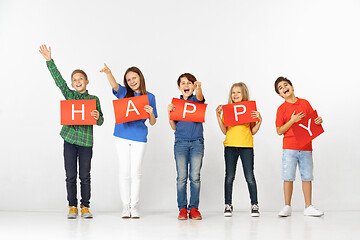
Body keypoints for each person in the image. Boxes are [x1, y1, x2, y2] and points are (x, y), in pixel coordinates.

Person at [39, 45, 104, 219]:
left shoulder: (94, 99)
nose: (77, 81)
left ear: (87, 81)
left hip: (86, 144)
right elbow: (59, 81)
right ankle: (72, 206)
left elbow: (101, 121)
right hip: (69, 140)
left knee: (85, 176)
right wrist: (49, 60)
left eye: (80, 78)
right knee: (70, 175)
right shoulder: (70, 95)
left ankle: (85, 206)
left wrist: (97, 116)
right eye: (74, 79)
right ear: (72, 83)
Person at [100, 63, 157, 218]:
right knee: (124, 171)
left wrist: (151, 113)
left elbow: (152, 122)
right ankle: (126, 206)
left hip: (139, 137)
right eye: (129, 79)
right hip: (121, 135)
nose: (132, 81)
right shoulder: (124, 92)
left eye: (134, 78)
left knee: (136, 172)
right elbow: (114, 85)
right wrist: (108, 73)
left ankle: (134, 205)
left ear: (140, 78)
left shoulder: (150, 97)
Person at [275, 77, 324, 217]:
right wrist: (292, 120)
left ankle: (308, 206)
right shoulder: (282, 109)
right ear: (280, 95)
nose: (284, 87)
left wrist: (318, 121)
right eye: (280, 88)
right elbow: (279, 131)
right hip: (289, 147)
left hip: (306, 146)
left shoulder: (305, 103)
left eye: (286, 84)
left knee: (307, 176)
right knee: (288, 177)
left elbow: (312, 123)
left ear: (292, 86)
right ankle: (287, 206)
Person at [216, 82, 262, 217]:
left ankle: (254, 204)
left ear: (244, 94)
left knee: (249, 176)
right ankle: (228, 204)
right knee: (229, 176)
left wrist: (259, 121)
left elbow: (252, 131)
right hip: (230, 146)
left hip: (246, 147)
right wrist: (218, 117)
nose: (235, 95)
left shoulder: (248, 110)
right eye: (233, 92)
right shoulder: (229, 110)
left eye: (238, 92)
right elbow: (225, 131)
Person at [167, 73, 204, 220]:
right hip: (181, 142)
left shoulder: (196, 99)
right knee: (181, 177)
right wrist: (169, 113)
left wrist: (199, 88)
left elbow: (200, 97)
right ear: (179, 87)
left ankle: (194, 208)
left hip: (197, 142)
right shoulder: (176, 103)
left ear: (193, 86)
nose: (186, 85)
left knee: (195, 177)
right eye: (183, 83)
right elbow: (174, 127)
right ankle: (182, 208)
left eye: (189, 83)